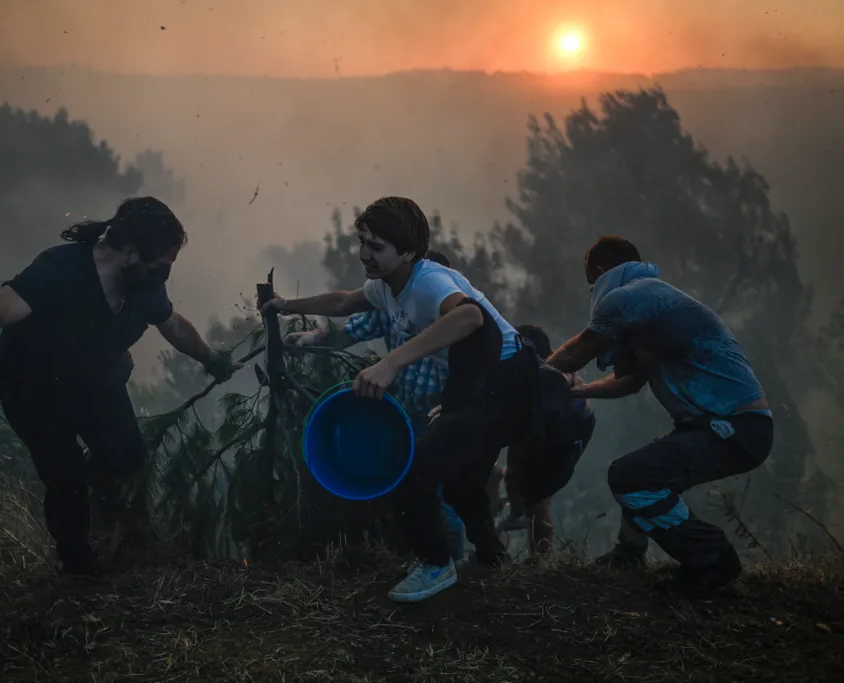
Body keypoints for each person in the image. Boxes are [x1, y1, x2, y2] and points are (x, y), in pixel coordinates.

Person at [0, 197, 242, 577]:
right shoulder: (60, 271)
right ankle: (78, 571)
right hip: (33, 387)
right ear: (129, 251)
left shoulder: (143, 285)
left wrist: (210, 359)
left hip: (94, 380)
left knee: (126, 454)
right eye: (160, 267)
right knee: (66, 478)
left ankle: (90, 497)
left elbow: (171, 323)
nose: (163, 277)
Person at [262, 196, 538, 602]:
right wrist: (286, 305)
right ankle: (491, 558)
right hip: (477, 382)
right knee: (462, 480)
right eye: (362, 243)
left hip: (506, 380)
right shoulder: (385, 286)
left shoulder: (428, 281)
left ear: (408, 251)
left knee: (413, 468)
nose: (364, 255)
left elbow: (469, 317)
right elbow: (343, 301)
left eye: (376, 247)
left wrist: (390, 364)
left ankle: (434, 565)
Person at [545, 235, 774, 598]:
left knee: (632, 476)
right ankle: (630, 553)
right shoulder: (652, 303)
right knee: (645, 468)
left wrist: (534, 375)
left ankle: (713, 559)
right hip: (724, 426)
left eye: (593, 281)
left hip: (737, 428)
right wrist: (578, 391)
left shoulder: (630, 297)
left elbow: (579, 350)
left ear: (602, 272)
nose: (594, 290)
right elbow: (630, 381)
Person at [286, 249, 467, 564]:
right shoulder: (396, 306)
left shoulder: (456, 320)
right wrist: (314, 338)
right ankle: (419, 556)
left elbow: (474, 373)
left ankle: (454, 565)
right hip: (407, 415)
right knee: (406, 492)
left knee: (440, 497)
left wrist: (453, 408)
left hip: (443, 418)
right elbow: (349, 331)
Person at [499, 324, 596, 558]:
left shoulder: (554, 377)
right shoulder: (525, 372)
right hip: (540, 425)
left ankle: (541, 561)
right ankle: (518, 513)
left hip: (567, 433)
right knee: (513, 474)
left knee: (538, 499)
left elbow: (554, 434)